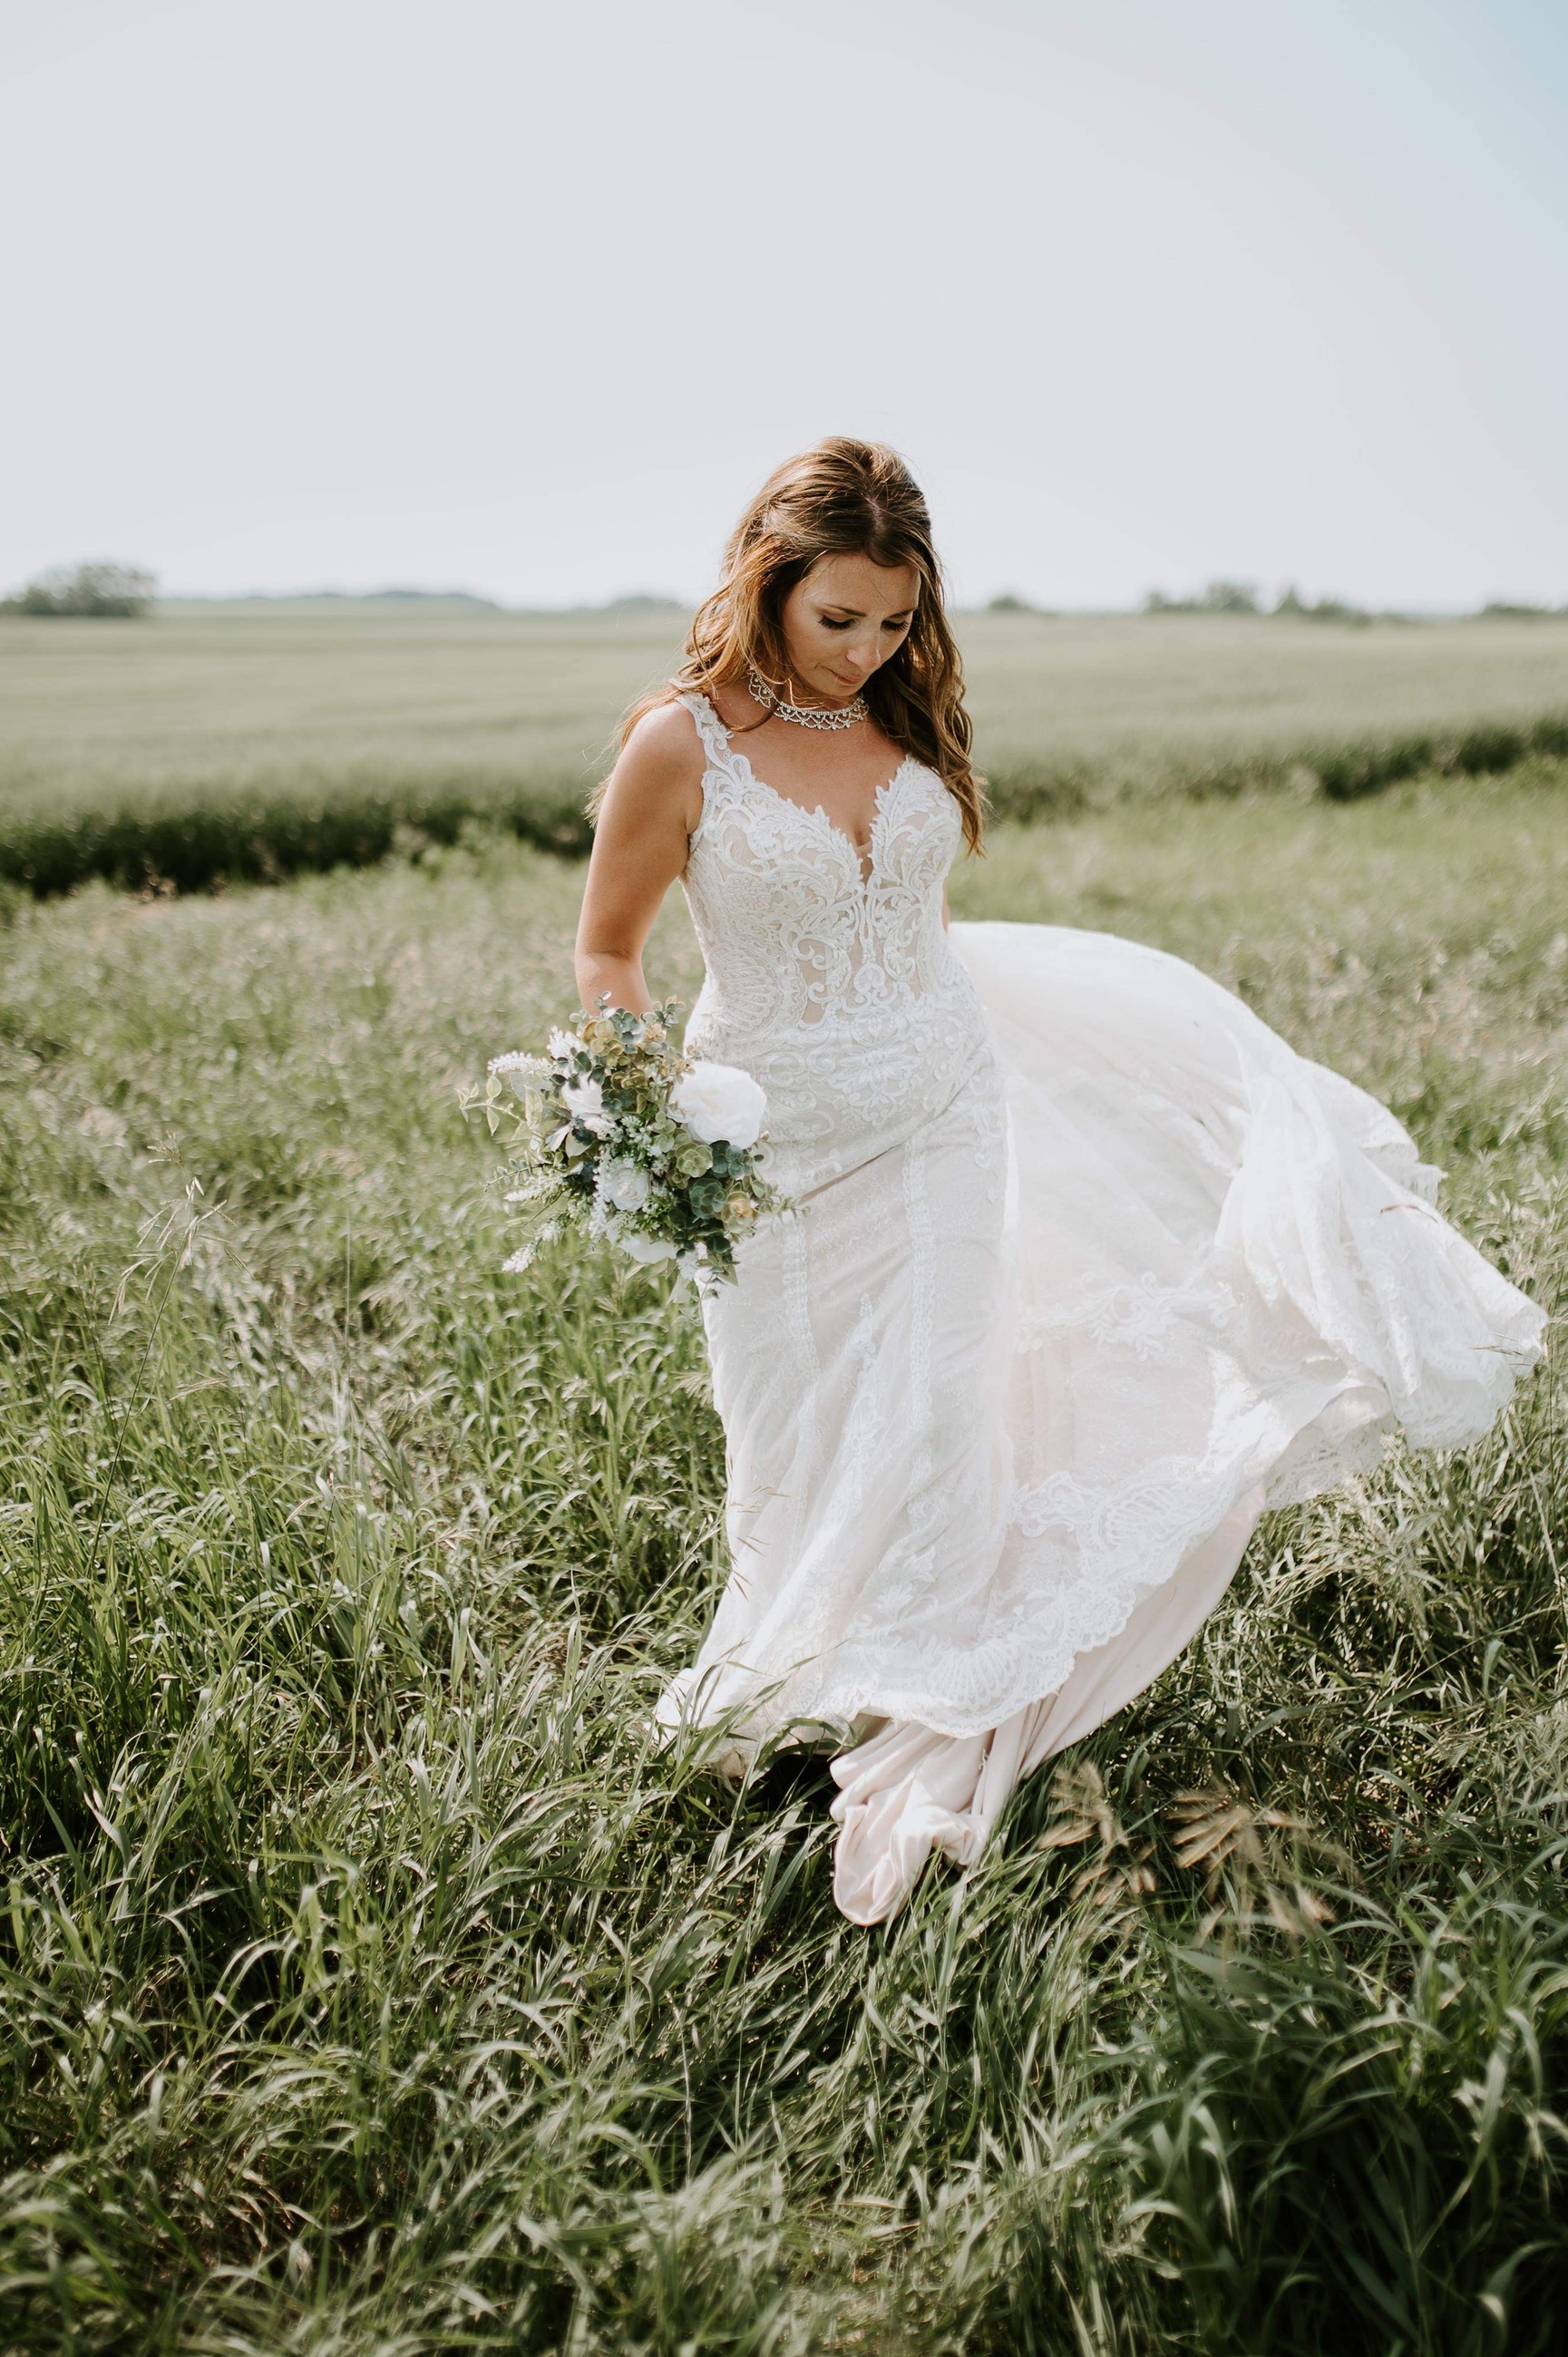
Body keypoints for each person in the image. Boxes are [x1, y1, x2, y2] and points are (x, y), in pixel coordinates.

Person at [574, 437, 1545, 1925]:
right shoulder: (678, 742)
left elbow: (910, 926)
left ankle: (936, 1689)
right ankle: (794, 1685)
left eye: (894, 622)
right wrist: (649, 1120)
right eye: (837, 618)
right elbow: (611, 953)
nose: (866, 651)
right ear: (762, 585)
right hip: (768, 1140)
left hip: (947, 1105)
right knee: (794, 1427)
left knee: (947, 1400)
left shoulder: (903, 719)